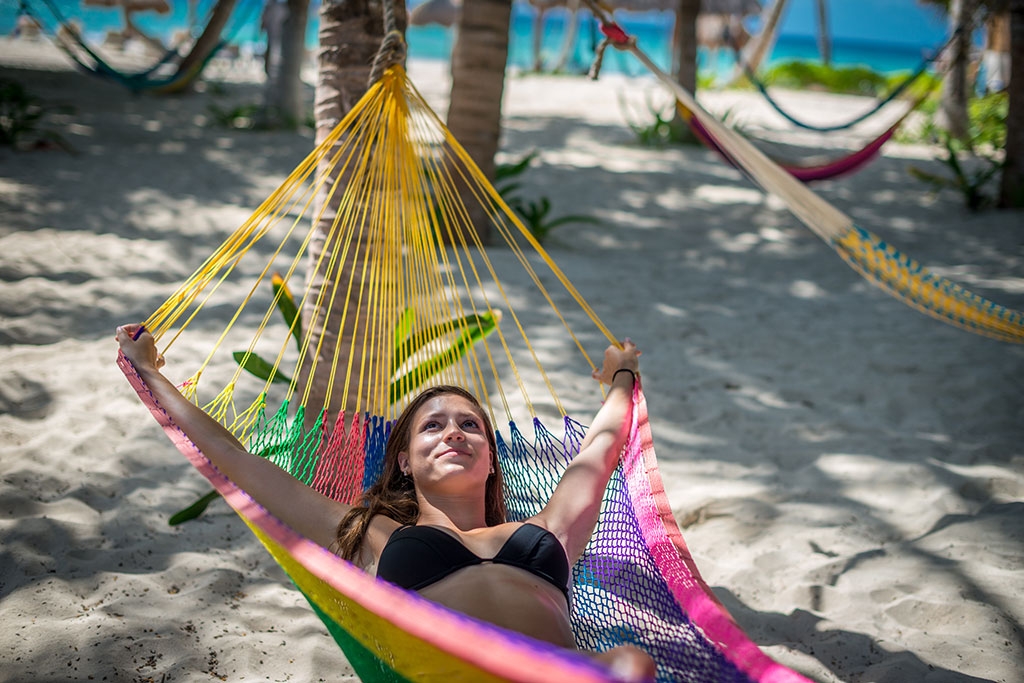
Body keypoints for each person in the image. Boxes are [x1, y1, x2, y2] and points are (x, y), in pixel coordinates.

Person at [115, 324, 655, 681]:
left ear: (492, 459)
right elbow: (239, 460)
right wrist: (151, 373)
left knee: (630, 664)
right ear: (404, 461)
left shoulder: (546, 529)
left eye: (470, 425)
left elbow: (600, 449)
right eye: (433, 427)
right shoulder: (370, 531)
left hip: (563, 672)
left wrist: (622, 376)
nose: (454, 433)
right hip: (451, 675)